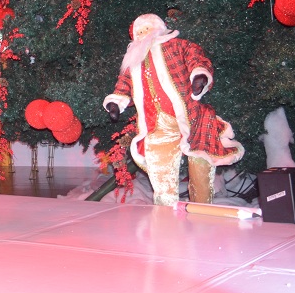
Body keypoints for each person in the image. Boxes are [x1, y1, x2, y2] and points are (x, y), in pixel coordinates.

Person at [103, 13, 245, 206]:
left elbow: (196, 59)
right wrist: (115, 103)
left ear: (159, 28)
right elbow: (124, 85)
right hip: (157, 123)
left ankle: (202, 210)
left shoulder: (177, 46)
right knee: (160, 171)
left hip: (191, 117)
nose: (144, 34)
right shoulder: (134, 61)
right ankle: (166, 215)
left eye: (147, 29)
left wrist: (199, 76)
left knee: (200, 166)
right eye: (140, 31)